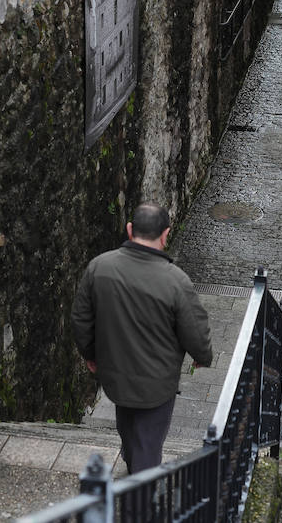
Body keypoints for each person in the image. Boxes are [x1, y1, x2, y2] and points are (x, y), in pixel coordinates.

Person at [71, 201, 213, 474]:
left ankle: (131, 457)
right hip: (156, 383)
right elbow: (195, 329)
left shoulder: (99, 267)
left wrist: (90, 354)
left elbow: (80, 318)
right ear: (165, 234)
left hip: (114, 373)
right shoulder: (175, 281)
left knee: (126, 420)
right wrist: (202, 356)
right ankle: (140, 496)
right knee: (149, 444)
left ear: (129, 229)